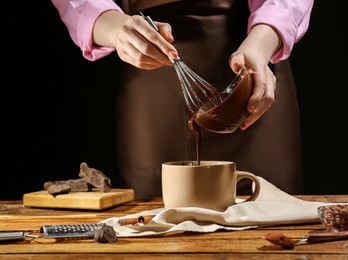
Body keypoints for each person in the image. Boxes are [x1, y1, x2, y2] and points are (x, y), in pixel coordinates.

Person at [51, 0, 314, 199]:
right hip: (153, 73)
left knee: (272, 216)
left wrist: (261, 44)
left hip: (254, 65)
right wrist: (113, 26)